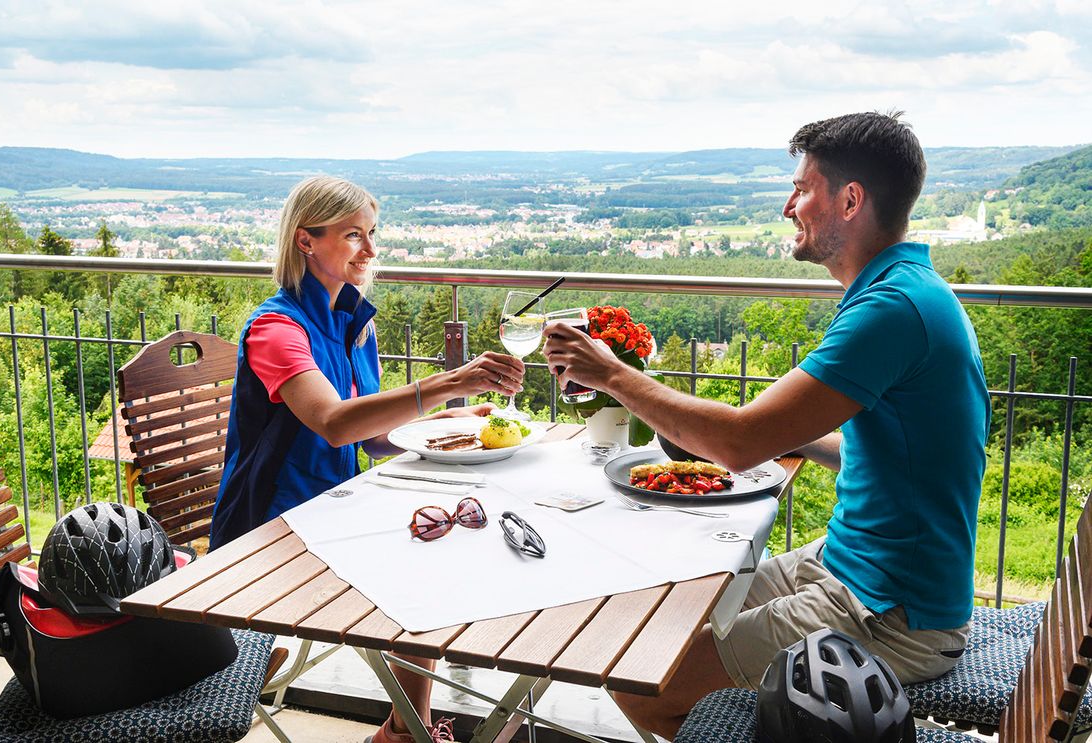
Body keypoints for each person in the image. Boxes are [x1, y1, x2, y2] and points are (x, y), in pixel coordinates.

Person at [542, 112, 991, 739]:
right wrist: (787, 431)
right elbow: (883, 450)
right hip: (852, 567)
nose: (789, 206)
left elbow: (737, 444)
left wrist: (611, 373)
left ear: (850, 200)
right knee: (664, 620)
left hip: (891, 614)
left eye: (802, 189)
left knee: (641, 680)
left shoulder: (892, 308)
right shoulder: (906, 287)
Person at [210, 175, 525, 743]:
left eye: (372, 233)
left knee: (442, 540)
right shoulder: (276, 330)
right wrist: (447, 383)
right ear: (306, 240)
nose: (371, 250)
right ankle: (408, 732)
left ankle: (405, 730)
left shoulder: (353, 323)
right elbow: (334, 424)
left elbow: (371, 439)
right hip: (270, 529)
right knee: (422, 569)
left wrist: (448, 427)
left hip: (331, 510)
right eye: (355, 235)